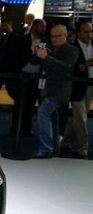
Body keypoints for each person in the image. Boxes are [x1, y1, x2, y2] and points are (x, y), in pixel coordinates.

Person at [31, 25, 78, 158]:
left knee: (43, 113)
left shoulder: (71, 50)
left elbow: (67, 68)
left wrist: (46, 57)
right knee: (53, 119)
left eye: (57, 36)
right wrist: (35, 52)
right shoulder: (50, 49)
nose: (53, 39)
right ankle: (54, 149)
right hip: (46, 89)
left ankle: (46, 148)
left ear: (65, 36)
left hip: (59, 90)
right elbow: (35, 63)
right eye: (52, 36)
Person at [6, 18, 47, 136]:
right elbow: (15, 56)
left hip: (35, 77)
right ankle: (15, 128)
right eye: (42, 26)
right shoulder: (22, 40)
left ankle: (27, 128)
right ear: (34, 27)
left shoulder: (44, 41)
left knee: (31, 104)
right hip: (22, 76)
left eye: (44, 27)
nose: (44, 29)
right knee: (19, 104)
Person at [60, 22, 93, 159]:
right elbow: (69, 68)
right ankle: (82, 149)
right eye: (85, 31)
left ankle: (65, 142)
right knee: (81, 118)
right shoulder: (72, 48)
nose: (89, 34)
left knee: (77, 118)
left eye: (91, 31)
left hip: (90, 86)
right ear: (78, 33)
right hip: (77, 87)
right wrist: (84, 65)